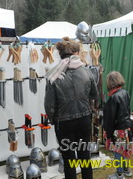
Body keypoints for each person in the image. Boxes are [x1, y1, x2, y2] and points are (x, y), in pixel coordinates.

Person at [44, 37, 98, 179]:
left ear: (61, 54)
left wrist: (53, 120)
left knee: (69, 160)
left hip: (64, 122)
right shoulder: (87, 72)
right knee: (84, 156)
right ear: (76, 53)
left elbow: (49, 105)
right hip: (84, 119)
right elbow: (94, 95)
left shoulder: (54, 75)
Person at [103, 71, 133, 179]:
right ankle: (126, 170)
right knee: (124, 150)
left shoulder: (113, 98)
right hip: (125, 128)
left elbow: (110, 119)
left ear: (110, 83)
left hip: (117, 129)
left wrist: (108, 133)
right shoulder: (125, 93)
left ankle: (119, 174)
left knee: (117, 152)